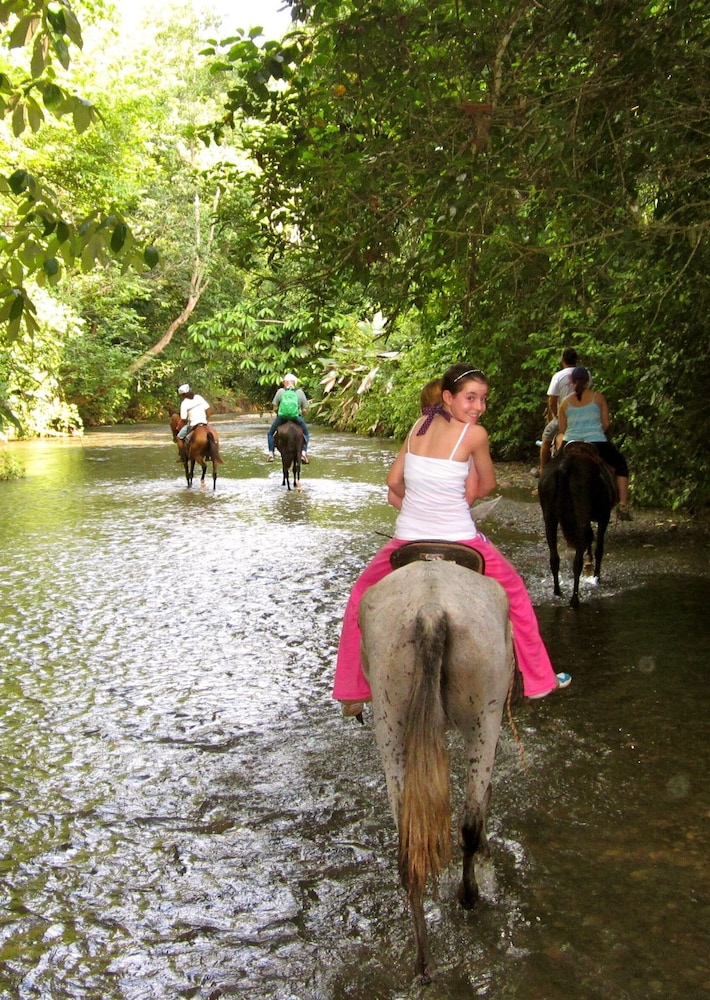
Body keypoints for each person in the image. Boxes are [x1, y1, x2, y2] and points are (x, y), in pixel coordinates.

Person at [333, 363, 571, 718]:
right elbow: (486, 486)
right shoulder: (475, 435)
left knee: (359, 597)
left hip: (407, 540)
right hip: (460, 538)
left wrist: (418, 502)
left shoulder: (416, 427)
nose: (478, 407)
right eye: (470, 398)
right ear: (448, 398)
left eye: (483, 400)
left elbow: (393, 482)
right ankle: (537, 679)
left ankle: (352, 689)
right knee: (516, 593)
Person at [558, 366, 632, 519]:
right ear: (588, 381)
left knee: (553, 468)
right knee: (621, 465)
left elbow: (562, 428)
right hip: (596, 443)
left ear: (571, 381)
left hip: (570, 443)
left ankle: (554, 503)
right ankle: (623, 505)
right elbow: (606, 424)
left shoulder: (565, 403)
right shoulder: (598, 398)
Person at [536, 347, 590, 475]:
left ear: (562, 360)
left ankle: (543, 471)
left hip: (565, 416)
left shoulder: (559, 376)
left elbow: (552, 401)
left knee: (546, 439)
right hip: (583, 416)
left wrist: (556, 416)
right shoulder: (586, 374)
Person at [267, 374, 310, 464]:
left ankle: (271, 454)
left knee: (270, 433)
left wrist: (280, 414)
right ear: (294, 382)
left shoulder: (280, 391)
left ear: (285, 382)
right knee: (306, 433)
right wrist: (299, 414)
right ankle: (303, 453)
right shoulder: (300, 392)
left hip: (282, 417)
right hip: (296, 417)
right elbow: (305, 409)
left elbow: (275, 408)